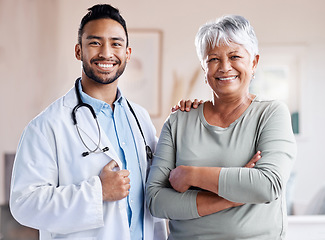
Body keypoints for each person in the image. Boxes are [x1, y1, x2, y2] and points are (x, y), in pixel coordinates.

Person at [9, 4, 198, 240]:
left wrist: (194, 123)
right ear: (79, 51)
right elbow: (24, 204)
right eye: (95, 42)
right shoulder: (46, 126)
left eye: (116, 43)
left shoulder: (140, 118)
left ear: (128, 53)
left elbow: (172, 172)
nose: (106, 53)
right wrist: (97, 192)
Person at [146, 15, 297, 240]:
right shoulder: (179, 120)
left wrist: (191, 175)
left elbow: (268, 185)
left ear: (253, 62)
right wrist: (234, 196)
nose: (224, 67)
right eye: (213, 59)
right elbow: (155, 201)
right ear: (204, 68)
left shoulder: (271, 114)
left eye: (234, 56)